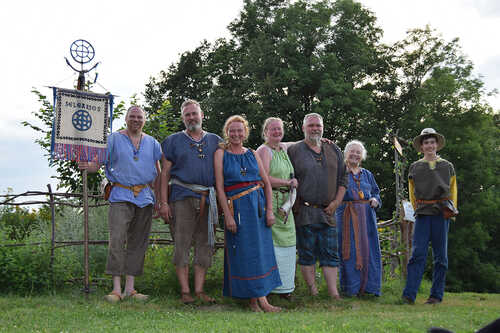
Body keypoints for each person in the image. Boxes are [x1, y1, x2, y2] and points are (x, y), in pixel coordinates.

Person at [79, 105, 162, 303]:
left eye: (139, 117)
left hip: (145, 197)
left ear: (144, 120)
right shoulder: (114, 139)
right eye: (132, 116)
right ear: (126, 119)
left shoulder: (152, 143)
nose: (136, 120)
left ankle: (130, 289)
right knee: (117, 239)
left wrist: (159, 200)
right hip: (120, 194)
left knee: (138, 242)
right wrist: (85, 165)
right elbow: (96, 165)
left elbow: (158, 174)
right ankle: (116, 290)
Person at [214, 115, 282, 312]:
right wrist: (227, 215)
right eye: (232, 130)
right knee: (245, 253)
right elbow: (219, 188)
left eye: (239, 130)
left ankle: (263, 300)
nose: (236, 134)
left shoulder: (253, 153)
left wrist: (269, 210)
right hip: (237, 209)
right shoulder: (221, 154)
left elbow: (267, 184)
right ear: (227, 132)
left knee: (261, 252)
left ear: (245, 132)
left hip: (258, 209)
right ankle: (252, 301)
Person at [159, 99, 221, 304]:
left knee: (205, 244)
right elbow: (165, 173)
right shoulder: (172, 141)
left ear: (202, 115)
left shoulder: (215, 140)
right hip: (181, 197)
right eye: (187, 115)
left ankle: (200, 290)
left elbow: (236, 153)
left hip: (207, 199)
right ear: (183, 118)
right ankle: (185, 292)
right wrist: (164, 203)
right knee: (182, 244)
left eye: (194, 114)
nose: (191, 118)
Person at [287, 113, 347, 300]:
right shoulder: (295, 150)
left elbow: (344, 179)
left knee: (331, 254)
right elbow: (276, 150)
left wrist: (336, 202)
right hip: (304, 210)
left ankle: (333, 294)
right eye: (311, 125)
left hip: (328, 211)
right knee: (307, 254)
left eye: (318, 125)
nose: (315, 128)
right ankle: (313, 293)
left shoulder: (334, 149)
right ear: (304, 128)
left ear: (322, 127)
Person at [402, 128, 458, 305]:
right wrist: (416, 208)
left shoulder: (447, 166)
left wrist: (452, 211)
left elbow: (453, 189)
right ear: (421, 146)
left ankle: (436, 296)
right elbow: (412, 191)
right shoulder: (415, 167)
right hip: (423, 213)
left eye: (432, 142)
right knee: (418, 254)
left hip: (442, 213)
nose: (430, 145)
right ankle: (409, 295)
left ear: (437, 144)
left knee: (441, 256)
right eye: (426, 142)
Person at [256, 117, 298, 300]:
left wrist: (322, 139)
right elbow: (263, 178)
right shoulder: (264, 151)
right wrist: (287, 182)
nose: (276, 132)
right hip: (271, 200)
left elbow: (299, 141)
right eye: (272, 129)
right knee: (272, 245)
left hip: (286, 203)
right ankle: (271, 287)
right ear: (265, 132)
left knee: (288, 244)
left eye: (279, 129)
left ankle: (285, 287)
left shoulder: (283, 149)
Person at [335, 140, 382, 297]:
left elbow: (376, 192)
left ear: (362, 156)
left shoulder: (367, 174)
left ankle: (370, 288)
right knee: (349, 250)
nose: (355, 154)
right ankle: (351, 289)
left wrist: (375, 200)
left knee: (370, 250)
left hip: (367, 218)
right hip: (346, 217)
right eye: (352, 151)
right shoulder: (339, 172)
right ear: (346, 154)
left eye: (358, 152)